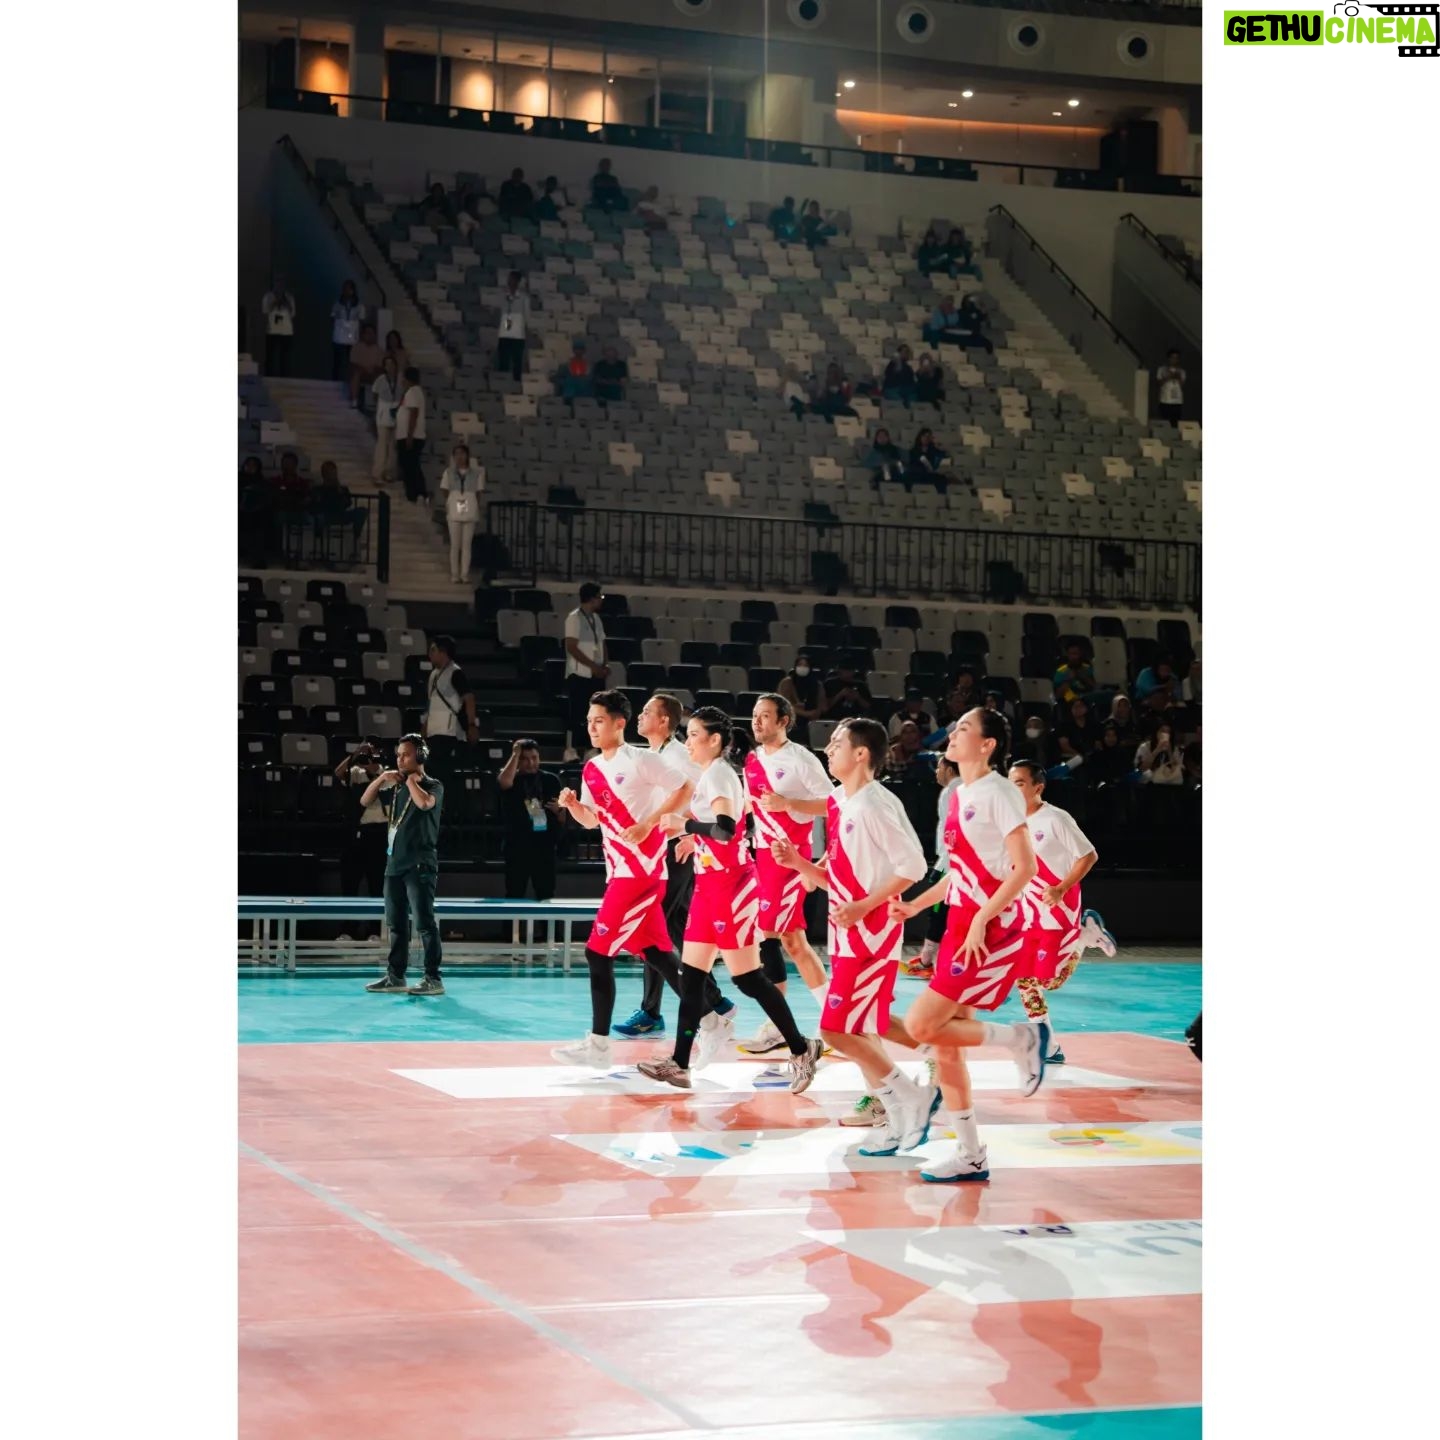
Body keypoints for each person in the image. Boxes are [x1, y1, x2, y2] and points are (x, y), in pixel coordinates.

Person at [888, 710, 1051, 1183]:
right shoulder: (958, 793)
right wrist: (916, 906)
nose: (953, 733)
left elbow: (1025, 868)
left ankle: (1024, 1038)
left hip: (989, 926)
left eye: (964, 728)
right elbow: (960, 872)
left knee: (921, 1025)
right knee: (946, 1047)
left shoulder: (1000, 792)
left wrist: (981, 917)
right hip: (962, 921)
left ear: (987, 744)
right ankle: (971, 1154)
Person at [771, 718, 937, 1153]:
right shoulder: (840, 800)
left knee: (837, 1030)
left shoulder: (875, 804)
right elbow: (839, 881)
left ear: (861, 754)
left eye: (837, 743)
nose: (828, 748)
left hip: (872, 935)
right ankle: (898, 1115)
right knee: (865, 1026)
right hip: (847, 933)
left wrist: (865, 906)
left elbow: (914, 867)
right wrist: (798, 864)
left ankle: (912, 1097)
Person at [637, 708, 824, 1093]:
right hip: (708, 886)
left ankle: (801, 1047)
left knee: (748, 978)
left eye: (694, 735)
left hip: (732, 889)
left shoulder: (720, 774)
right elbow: (729, 826)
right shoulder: (712, 775)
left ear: (715, 741)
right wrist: (692, 837)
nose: (688, 742)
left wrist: (685, 825)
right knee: (691, 978)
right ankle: (680, 1064)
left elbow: (725, 829)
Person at [551, 691, 700, 1069]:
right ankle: (711, 1016)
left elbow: (685, 788)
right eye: (589, 721)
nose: (592, 727)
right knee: (657, 952)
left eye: (599, 720)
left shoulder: (642, 759)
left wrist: (649, 824)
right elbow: (593, 820)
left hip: (641, 872)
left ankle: (599, 1045)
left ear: (619, 723)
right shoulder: (592, 768)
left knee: (596, 952)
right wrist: (574, 806)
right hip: (619, 870)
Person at [615, 694, 738, 1040]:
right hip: (660, 849)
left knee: (653, 925)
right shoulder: (653, 755)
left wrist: (690, 836)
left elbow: (701, 798)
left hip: (676, 851)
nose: (640, 717)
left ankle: (652, 1012)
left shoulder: (678, 756)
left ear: (665, 721)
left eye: (647, 712)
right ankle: (715, 1000)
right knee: (677, 927)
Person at [739, 693, 836, 1056]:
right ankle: (823, 1020)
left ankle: (789, 1025)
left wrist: (789, 803)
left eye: (765, 716)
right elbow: (750, 806)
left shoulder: (801, 759)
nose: (757, 721)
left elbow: (834, 804)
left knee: (773, 937)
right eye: (755, 715)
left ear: (783, 721)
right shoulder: (752, 760)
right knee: (789, 940)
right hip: (762, 855)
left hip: (789, 856)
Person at [1008, 760, 1117, 1064]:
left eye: (1019, 783)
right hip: (1029, 915)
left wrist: (1060, 888)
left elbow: (1088, 855)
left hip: (1058, 910)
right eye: (1010, 783)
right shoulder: (1012, 824)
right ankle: (1049, 1046)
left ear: (1038, 787)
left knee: (1048, 981)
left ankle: (1082, 937)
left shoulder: (1055, 818)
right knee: (1024, 978)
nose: (1012, 789)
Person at [362, 735, 446, 996]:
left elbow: (424, 804)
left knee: (424, 923)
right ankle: (395, 976)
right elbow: (364, 801)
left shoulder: (433, 785)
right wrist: (381, 779)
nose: (399, 759)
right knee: (396, 925)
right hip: (394, 864)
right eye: (398, 755)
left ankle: (433, 978)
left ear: (420, 756)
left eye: (406, 755)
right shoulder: (396, 786)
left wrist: (411, 781)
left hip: (420, 864)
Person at [899, 755, 963, 986]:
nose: (936, 772)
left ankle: (928, 962)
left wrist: (941, 866)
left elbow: (952, 833)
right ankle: (932, 960)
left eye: (939, 767)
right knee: (946, 914)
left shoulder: (952, 790)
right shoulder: (964, 788)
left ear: (949, 769)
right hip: (956, 863)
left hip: (951, 865)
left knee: (939, 913)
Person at [334, 739, 388, 942]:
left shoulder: (387, 774)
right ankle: (348, 930)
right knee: (349, 885)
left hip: (379, 834)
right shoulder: (355, 773)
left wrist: (374, 769)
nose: (370, 756)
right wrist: (355, 754)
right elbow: (338, 773)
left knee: (377, 886)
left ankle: (375, 931)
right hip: (356, 833)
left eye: (373, 752)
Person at [497, 739, 562, 905]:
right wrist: (515, 753)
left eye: (534, 758)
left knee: (546, 895)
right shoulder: (511, 778)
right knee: (514, 893)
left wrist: (559, 810)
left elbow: (563, 818)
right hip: (517, 845)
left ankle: (547, 924)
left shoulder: (550, 780)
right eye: (525, 759)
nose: (531, 763)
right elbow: (504, 783)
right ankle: (513, 925)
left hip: (544, 845)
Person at [563, 582, 608, 759]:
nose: (601, 600)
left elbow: (602, 643)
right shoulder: (574, 618)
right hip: (579, 673)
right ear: (591, 598)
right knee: (576, 712)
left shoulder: (596, 619)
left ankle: (591, 748)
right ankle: (571, 749)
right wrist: (593, 666)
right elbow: (571, 647)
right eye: (599, 597)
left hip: (595, 674)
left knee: (595, 713)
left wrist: (604, 665)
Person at [439, 443, 484, 585]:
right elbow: (444, 490)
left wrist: (473, 504)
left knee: (466, 545)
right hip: (454, 511)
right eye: (457, 454)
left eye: (462, 453)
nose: (459, 457)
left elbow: (479, 492)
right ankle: (455, 574)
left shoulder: (476, 473)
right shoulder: (448, 472)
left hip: (470, 511)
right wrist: (452, 500)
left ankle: (464, 574)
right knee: (455, 545)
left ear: (467, 455)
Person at [423, 635, 479, 746]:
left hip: (450, 733)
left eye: (433, 650)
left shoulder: (455, 673)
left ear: (443, 652)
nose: (429, 654)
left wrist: (471, 725)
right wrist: (425, 726)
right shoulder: (433, 675)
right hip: (433, 732)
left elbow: (469, 699)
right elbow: (431, 703)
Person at [309, 461, 365, 559]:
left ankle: (356, 535)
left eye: (333, 472)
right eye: (329, 472)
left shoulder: (343, 489)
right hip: (325, 516)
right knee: (319, 518)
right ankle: (319, 545)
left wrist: (340, 492)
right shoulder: (317, 489)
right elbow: (314, 506)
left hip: (340, 515)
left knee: (362, 511)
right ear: (324, 474)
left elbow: (348, 503)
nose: (332, 475)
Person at [396, 367, 428, 505]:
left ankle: (414, 494)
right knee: (411, 465)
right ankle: (417, 493)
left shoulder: (413, 392)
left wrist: (409, 436)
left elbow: (413, 414)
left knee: (410, 466)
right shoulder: (415, 391)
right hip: (410, 436)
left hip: (411, 436)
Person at [777, 655, 824, 746]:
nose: (802, 667)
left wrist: (816, 713)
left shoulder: (817, 684)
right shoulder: (787, 682)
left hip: (811, 722)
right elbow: (783, 704)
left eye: (805, 665)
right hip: (791, 721)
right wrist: (806, 713)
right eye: (800, 665)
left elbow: (822, 706)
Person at [371, 355, 402, 483]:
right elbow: (374, 394)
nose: (390, 367)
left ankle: (389, 472)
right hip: (383, 412)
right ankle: (377, 473)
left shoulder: (400, 379)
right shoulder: (381, 379)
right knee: (382, 445)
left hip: (397, 412)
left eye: (392, 364)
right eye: (387, 364)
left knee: (393, 446)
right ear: (384, 367)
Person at [496, 271, 530, 384]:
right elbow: (500, 311)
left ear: (517, 281)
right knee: (503, 359)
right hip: (505, 330)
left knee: (517, 361)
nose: (510, 281)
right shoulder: (503, 296)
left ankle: (516, 383)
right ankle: (502, 383)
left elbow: (526, 316)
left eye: (512, 279)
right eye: (509, 279)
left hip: (518, 333)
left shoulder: (524, 298)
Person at [330, 280, 366, 383]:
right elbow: (332, 317)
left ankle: (351, 382)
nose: (345, 291)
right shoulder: (337, 304)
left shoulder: (359, 305)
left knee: (352, 361)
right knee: (338, 361)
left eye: (348, 288)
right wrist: (340, 324)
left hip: (352, 338)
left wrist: (359, 335)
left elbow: (362, 321)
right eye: (344, 288)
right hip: (339, 337)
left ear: (353, 290)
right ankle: (335, 381)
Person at [261, 276, 295, 377]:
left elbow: (293, 313)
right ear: (274, 284)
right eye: (277, 283)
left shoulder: (289, 297)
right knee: (271, 356)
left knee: (285, 357)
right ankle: (269, 376)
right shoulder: (268, 296)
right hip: (272, 330)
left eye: (282, 284)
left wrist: (286, 302)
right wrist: (275, 302)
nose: (280, 286)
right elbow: (265, 311)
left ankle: (284, 377)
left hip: (286, 331)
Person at [348, 322, 383, 414]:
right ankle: (354, 401)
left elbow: (380, 366)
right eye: (367, 333)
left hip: (373, 374)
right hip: (360, 372)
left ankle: (378, 404)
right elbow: (353, 363)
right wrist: (363, 369)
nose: (369, 335)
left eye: (371, 333)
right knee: (356, 373)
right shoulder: (356, 347)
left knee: (379, 377)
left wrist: (372, 370)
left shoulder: (379, 350)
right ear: (363, 334)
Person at [1135, 719, 1184, 785]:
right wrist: (1157, 750)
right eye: (1162, 731)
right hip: (1148, 782)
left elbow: (1177, 770)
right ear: (1156, 732)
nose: (1165, 734)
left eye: (1168, 732)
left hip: (1168, 781)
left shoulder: (1174, 749)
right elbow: (1141, 768)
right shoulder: (1145, 746)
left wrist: (1169, 752)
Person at [1053, 641, 1099, 705]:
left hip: (1087, 699)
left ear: (1080, 654)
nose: (1073, 657)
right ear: (1067, 655)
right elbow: (1057, 696)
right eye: (1071, 654)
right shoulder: (1061, 671)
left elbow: (1096, 688)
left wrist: (1086, 678)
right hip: (1069, 701)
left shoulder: (1087, 668)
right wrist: (1069, 680)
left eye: (1076, 654)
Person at [907, 428, 951, 494]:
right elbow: (911, 464)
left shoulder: (934, 450)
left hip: (931, 474)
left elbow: (945, 457)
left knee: (942, 478)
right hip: (918, 474)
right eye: (924, 436)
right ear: (920, 437)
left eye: (928, 436)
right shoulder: (913, 451)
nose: (926, 438)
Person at [1156, 349, 1186, 426]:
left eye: (1176, 358)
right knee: (1165, 423)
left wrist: (1177, 376)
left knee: (1175, 423)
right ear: (1169, 358)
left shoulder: (1181, 371)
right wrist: (1168, 377)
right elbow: (1159, 383)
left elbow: (1182, 385)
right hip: (1165, 400)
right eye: (1172, 358)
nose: (1174, 360)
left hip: (1177, 401)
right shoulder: (1162, 369)